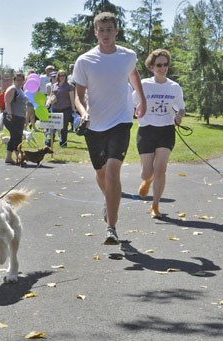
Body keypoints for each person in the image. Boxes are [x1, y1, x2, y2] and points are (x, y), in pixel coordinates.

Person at [74, 11, 147, 245]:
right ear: (95, 32)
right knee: (101, 173)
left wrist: (141, 100)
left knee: (114, 171)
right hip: (95, 123)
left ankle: (111, 228)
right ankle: (109, 201)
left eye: (109, 30)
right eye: (101, 30)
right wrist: (84, 113)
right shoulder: (85, 60)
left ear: (116, 31)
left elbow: (133, 75)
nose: (105, 34)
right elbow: (78, 96)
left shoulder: (128, 55)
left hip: (121, 120)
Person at [134, 49, 185, 219]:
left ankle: (155, 205)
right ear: (151, 67)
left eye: (166, 64)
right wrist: (136, 111)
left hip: (166, 130)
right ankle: (147, 181)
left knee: (161, 170)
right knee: (147, 173)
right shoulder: (145, 85)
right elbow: (133, 103)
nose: (163, 68)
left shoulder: (174, 87)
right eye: (159, 65)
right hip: (147, 129)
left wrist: (179, 116)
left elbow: (181, 107)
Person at [3, 72, 28, 164]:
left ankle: (9, 157)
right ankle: (19, 157)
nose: (20, 81)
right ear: (14, 80)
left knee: (14, 137)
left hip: (20, 117)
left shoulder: (21, 90)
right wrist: (9, 114)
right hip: (12, 117)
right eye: (17, 80)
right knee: (17, 137)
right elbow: (7, 102)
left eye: (21, 80)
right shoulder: (13, 89)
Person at [50, 70, 76, 148]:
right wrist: (49, 102)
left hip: (66, 108)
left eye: (63, 76)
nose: (62, 77)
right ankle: (49, 142)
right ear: (58, 76)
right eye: (60, 76)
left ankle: (63, 143)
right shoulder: (54, 85)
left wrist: (73, 108)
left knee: (64, 126)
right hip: (55, 108)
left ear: (66, 77)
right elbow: (51, 96)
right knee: (53, 126)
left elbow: (72, 99)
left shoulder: (69, 86)